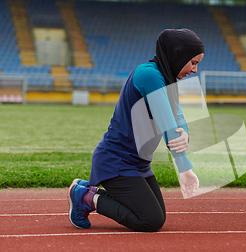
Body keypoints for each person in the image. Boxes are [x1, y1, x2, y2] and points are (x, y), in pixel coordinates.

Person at [68, 28, 204, 232]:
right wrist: (184, 168)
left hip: (138, 163)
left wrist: (184, 132)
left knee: (157, 214)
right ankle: (86, 197)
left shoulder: (166, 79)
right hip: (117, 162)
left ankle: (88, 190)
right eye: (193, 62)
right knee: (151, 221)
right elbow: (168, 123)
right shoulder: (149, 75)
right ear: (178, 55)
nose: (194, 70)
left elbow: (177, 115)